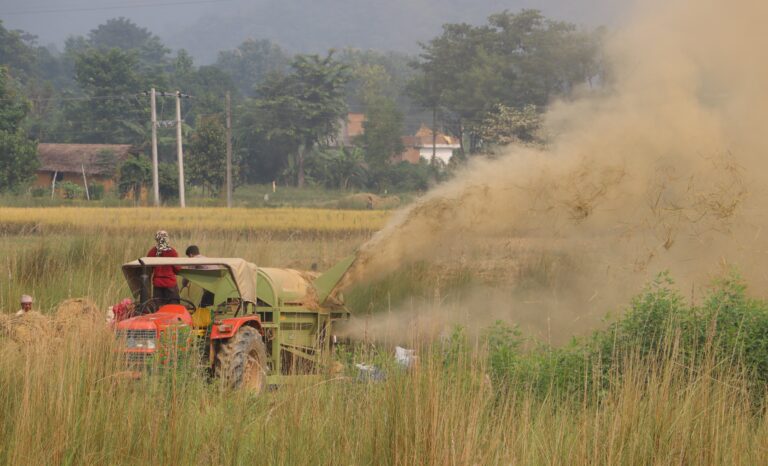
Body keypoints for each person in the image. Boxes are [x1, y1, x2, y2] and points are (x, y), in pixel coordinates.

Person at [146, 230, 181, 308]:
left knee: (158, 308)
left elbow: (148, 269)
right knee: (174, 307)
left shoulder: (152, 251)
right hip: (170, 284)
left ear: (157, 239)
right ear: (166, 238)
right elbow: (178, 268)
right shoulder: (172, 251)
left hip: (157, 284)